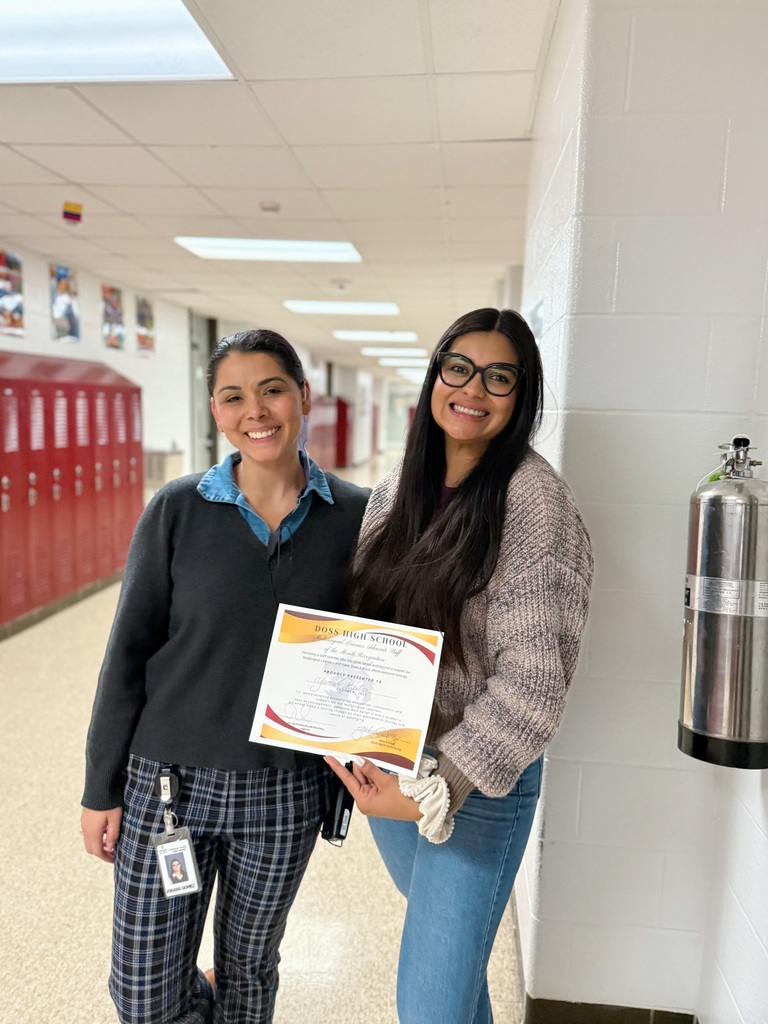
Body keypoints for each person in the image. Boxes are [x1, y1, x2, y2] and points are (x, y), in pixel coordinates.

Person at [81, 328, 370, 1024]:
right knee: (145, 993)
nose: (256, 411)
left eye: (272, 389)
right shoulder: (178, 510)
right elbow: (128, 652)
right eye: (233, 397)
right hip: (168, 788)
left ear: (303, 397)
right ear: (216, 411)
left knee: (248, 972)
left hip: (284, 791)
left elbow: (371, 653)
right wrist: (101, 787)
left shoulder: (357, 517)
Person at [327, 308, 593, 1024]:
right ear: (436, 375)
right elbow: (366, 624)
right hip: (393, 763)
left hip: (474, 782)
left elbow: (535, 685)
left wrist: (440, 787)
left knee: (429, 1002)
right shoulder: (397, 487)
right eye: (460, 367)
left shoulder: (532, 502)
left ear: (522, 394)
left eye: (500, 376)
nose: (474, 388)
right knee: (455, 981)